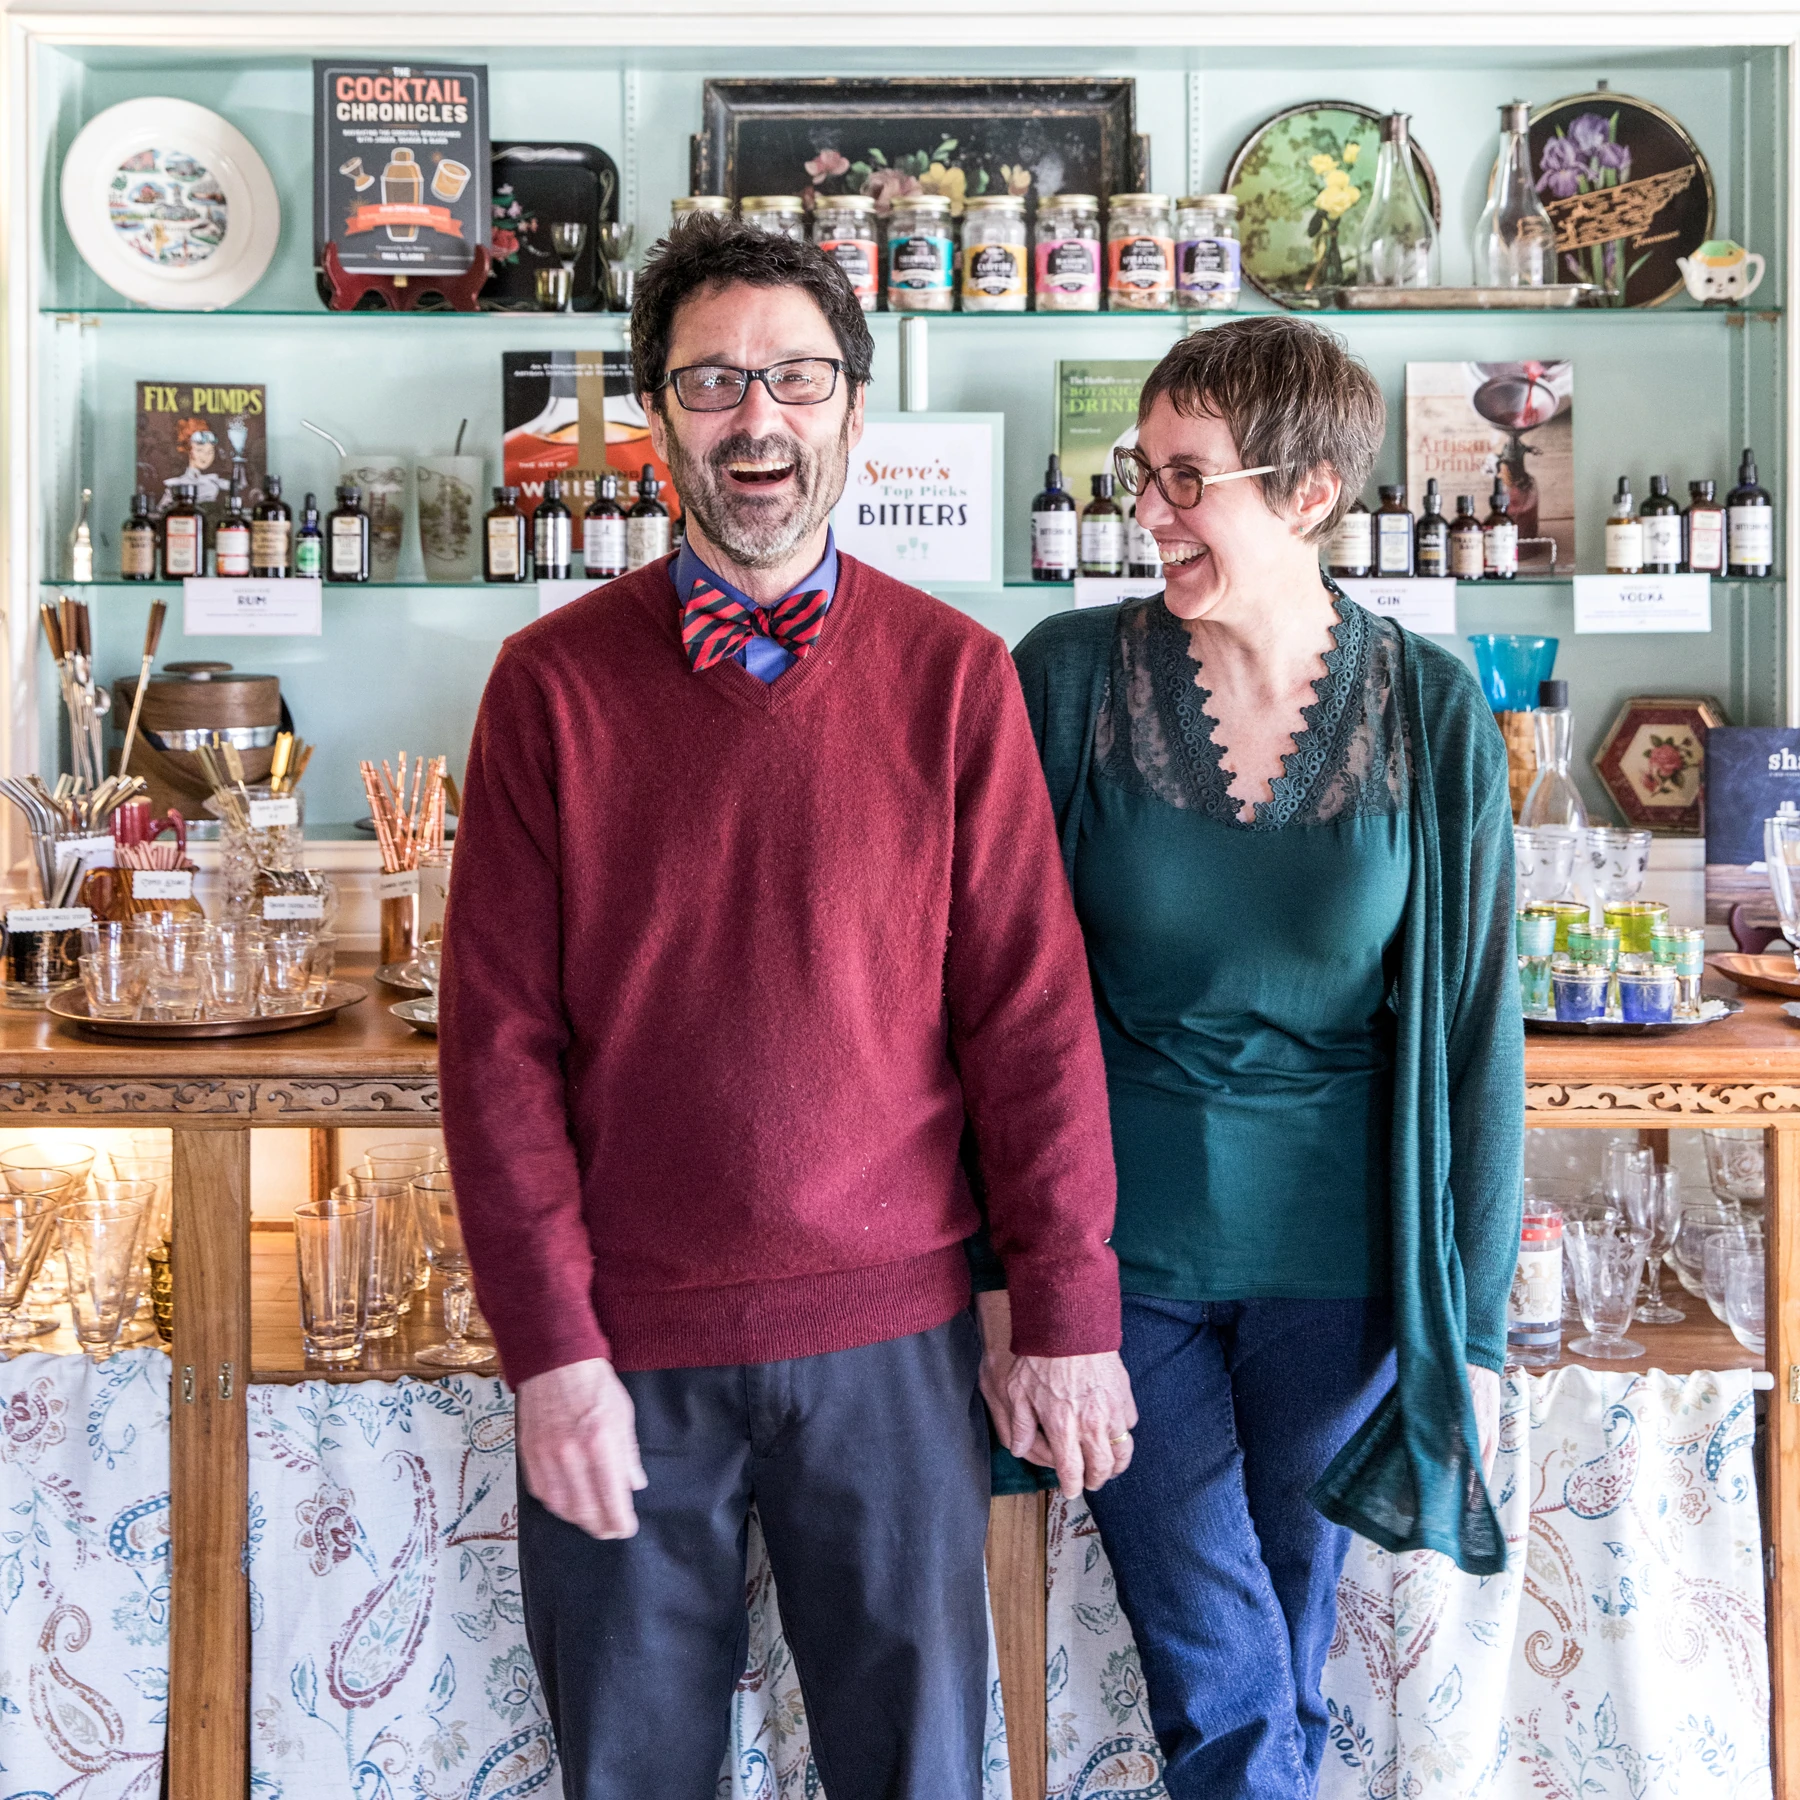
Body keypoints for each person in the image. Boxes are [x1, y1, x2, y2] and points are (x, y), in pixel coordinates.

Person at [438, 213, 1135, 1800]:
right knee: (633, 1773)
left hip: (893, 1348)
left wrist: (1068, 1311)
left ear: (855, 411)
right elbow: (496, 1059)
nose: (760, 422)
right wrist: (546, 1351)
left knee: (918, 1775)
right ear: (656, 419)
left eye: (798, 381)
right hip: (624, 1350)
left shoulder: (956, 676)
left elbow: (1028, 1024)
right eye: (713, 385)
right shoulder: (547, 689)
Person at [1011, 315, 1523, 1800]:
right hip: (1120, 1256)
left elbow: (1479, 1034)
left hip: (1350, 1269)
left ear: (1306, 495)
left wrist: (1469, 1329)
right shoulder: (1068, 676)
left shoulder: (1429, 707)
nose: (1149, 512)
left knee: (1285, 1628)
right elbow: (986, 985)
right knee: (1212, 1638)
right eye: (1142, 476)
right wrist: (1011, 1271)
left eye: (1188, 480)